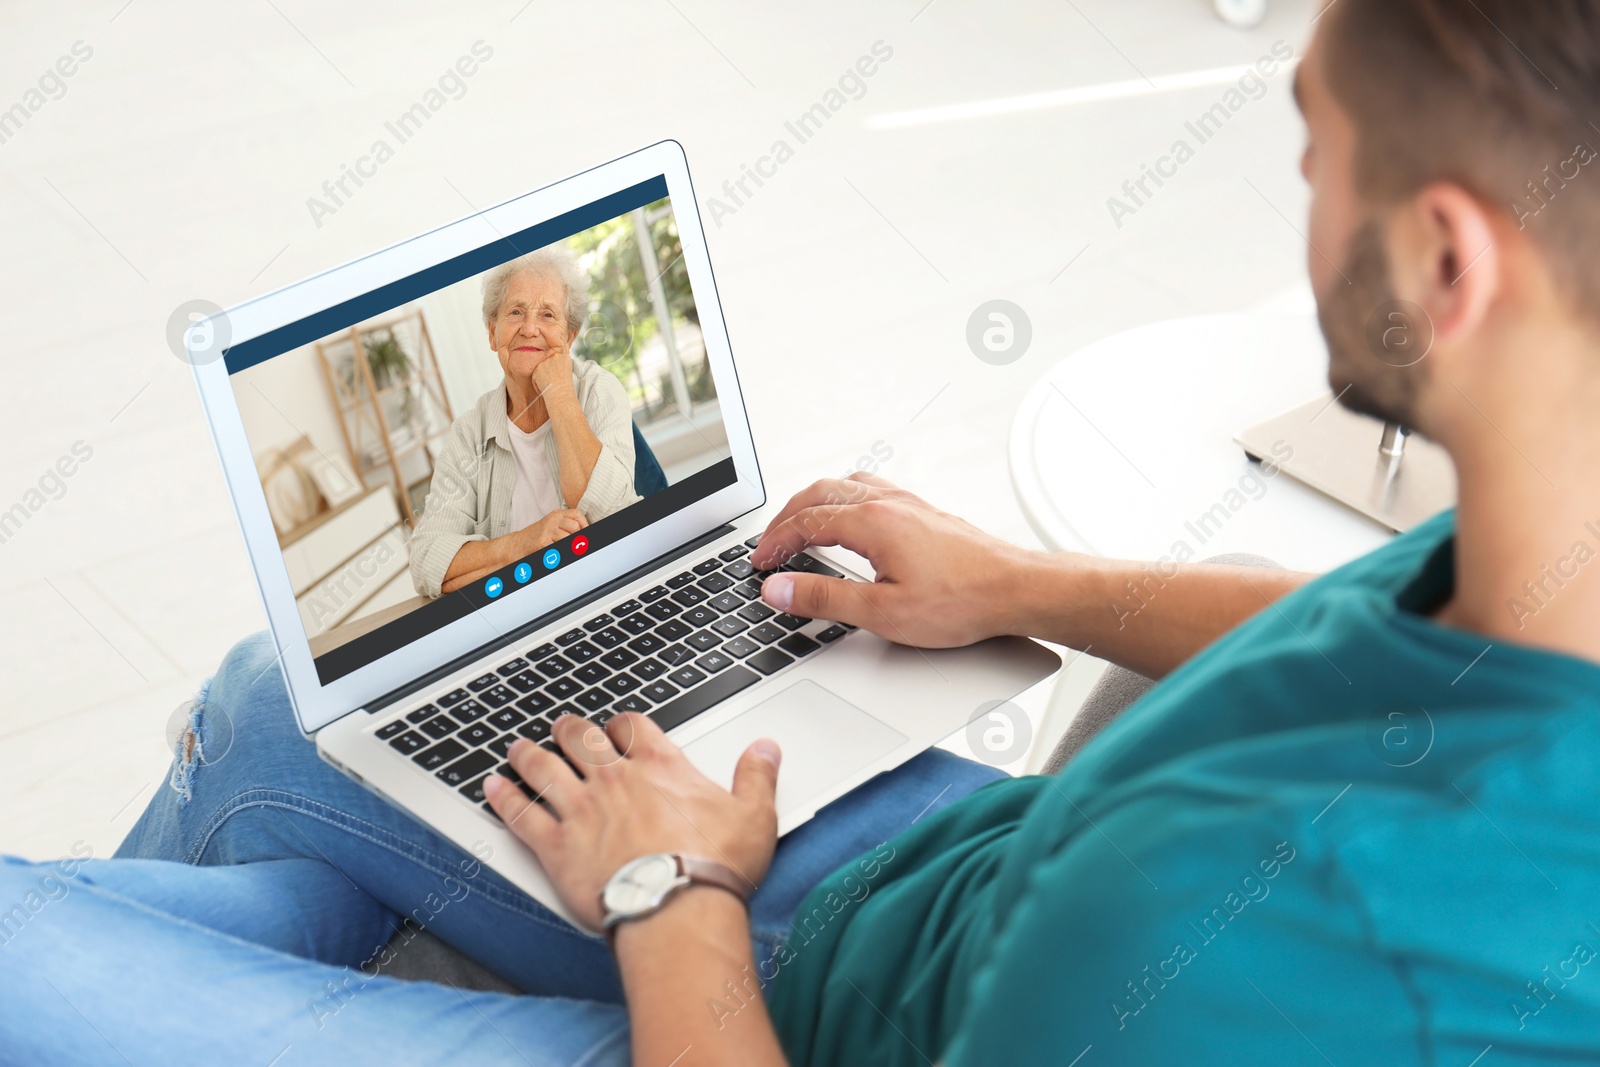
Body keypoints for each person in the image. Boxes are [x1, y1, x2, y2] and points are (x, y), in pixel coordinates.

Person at [6, 1, 1600, 1062]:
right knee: (285, 708)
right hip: (930, 882)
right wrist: (1015, 578)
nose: (1303, 179)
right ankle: (320, 929)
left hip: (785, 1007)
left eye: (1316, 141)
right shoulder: (1549, 556)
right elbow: (1362, 639)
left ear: (1449, 264)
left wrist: (670, 894)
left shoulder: (1249, 942)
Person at [409, 245, 641, 597]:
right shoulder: (469, 433)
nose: (530, 328)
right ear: (492, 333)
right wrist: (524, 544)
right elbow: (427, 561)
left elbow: (618, 521)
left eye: (548, 315)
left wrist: (559, 391)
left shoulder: (599, 391)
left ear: (569, 337)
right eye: (515, 312)